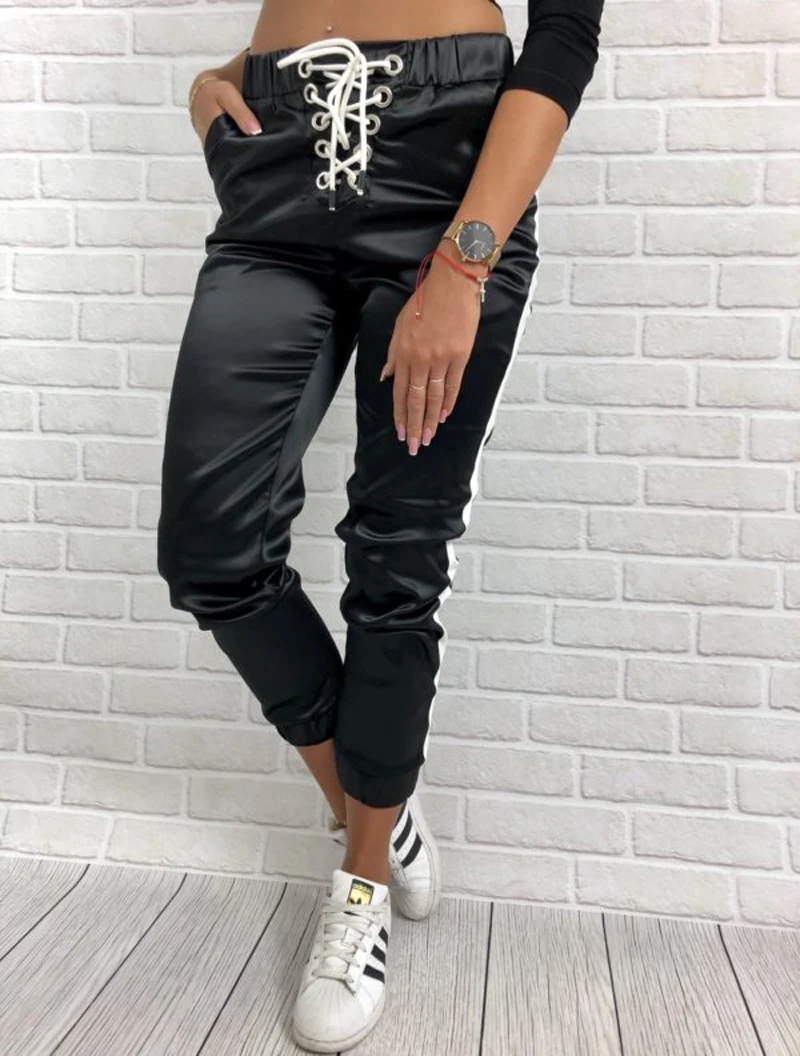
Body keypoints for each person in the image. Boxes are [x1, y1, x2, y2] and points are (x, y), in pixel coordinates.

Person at [156, 1, 603, 1050]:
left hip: (443, 177)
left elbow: (564, 32)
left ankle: (359, 883)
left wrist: (465, 260)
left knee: (395, 559)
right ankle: (376, 801)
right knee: (211, 551)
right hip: (275, 168)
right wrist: (219, 79)